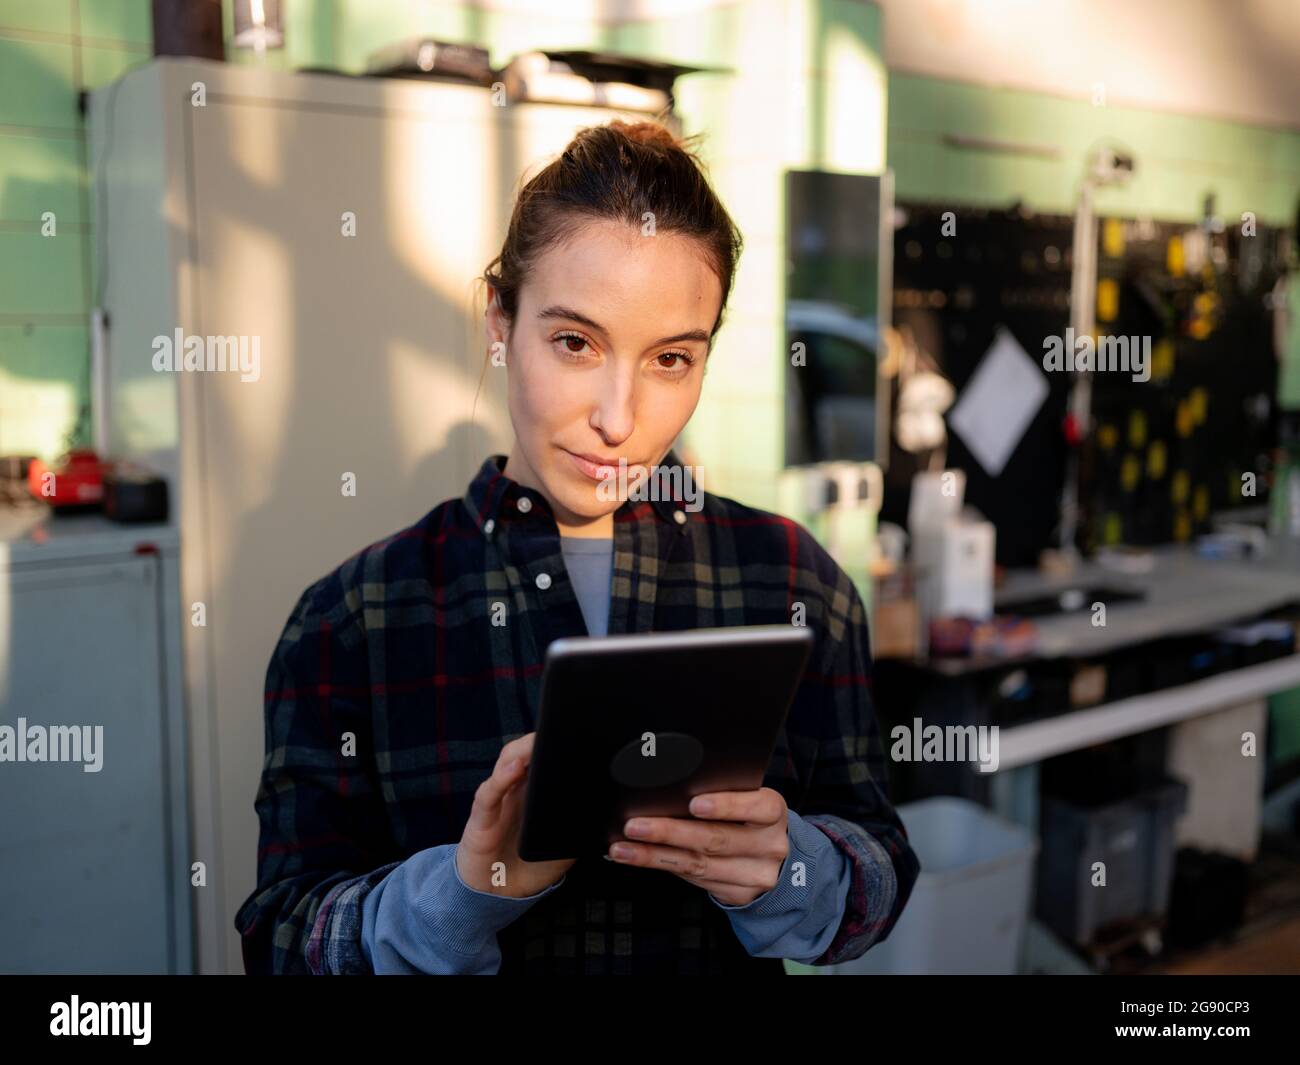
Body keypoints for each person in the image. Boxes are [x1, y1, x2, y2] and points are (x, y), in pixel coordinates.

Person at [234, 118, 919, 975]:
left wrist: (794, 872)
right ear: (499, 318)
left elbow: (882, 867)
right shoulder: (350, 619)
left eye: (671, 359)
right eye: (574, 342)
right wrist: (460, 893)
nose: (619, 420)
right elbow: (279, 940)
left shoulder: (791, 576)